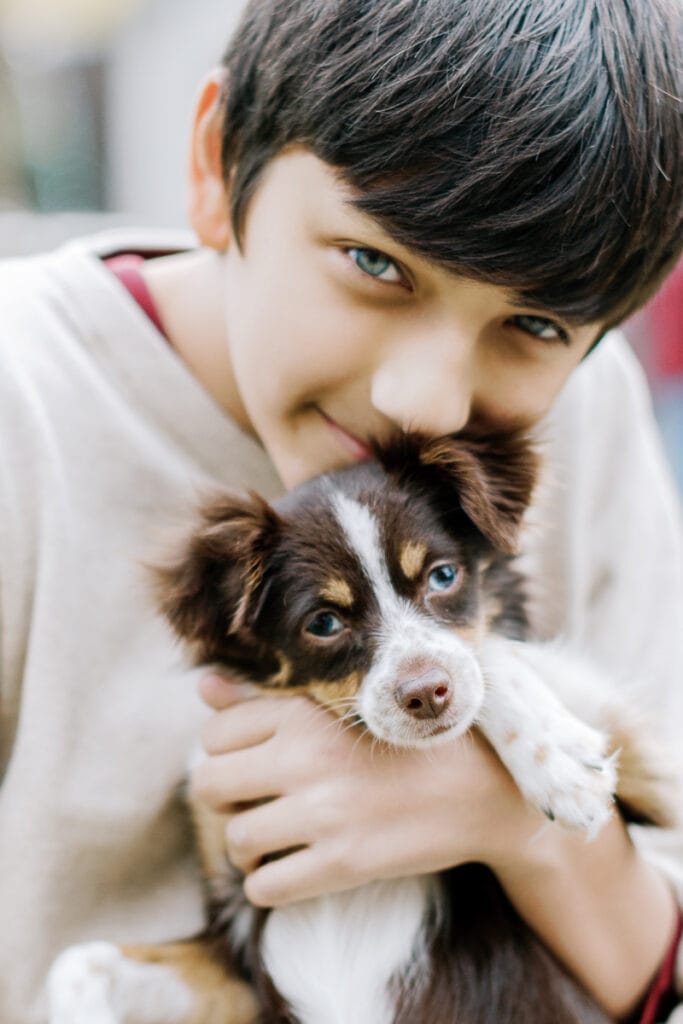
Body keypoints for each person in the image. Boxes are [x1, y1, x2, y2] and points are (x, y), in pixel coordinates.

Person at [0, 0, 682, 1021]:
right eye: (376, 264)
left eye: (533, 322)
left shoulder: (581, 415)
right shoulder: (27, 407)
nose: (427, 398)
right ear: (214, 163)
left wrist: (512, 818)